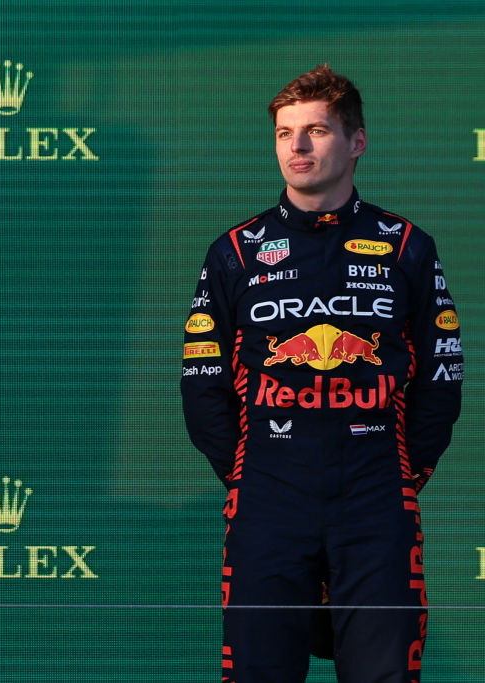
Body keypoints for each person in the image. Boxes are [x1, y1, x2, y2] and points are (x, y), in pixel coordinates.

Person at [181, 65, 462, 682]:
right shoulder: (235, 251)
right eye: (285, 133)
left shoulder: (407, 246)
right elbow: (202, 385)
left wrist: (399, 473)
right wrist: (250, 472)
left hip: (377, 496)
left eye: (316, 131)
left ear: (357, 141)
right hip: (268, 496)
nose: (298, 147)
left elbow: (442, 379)